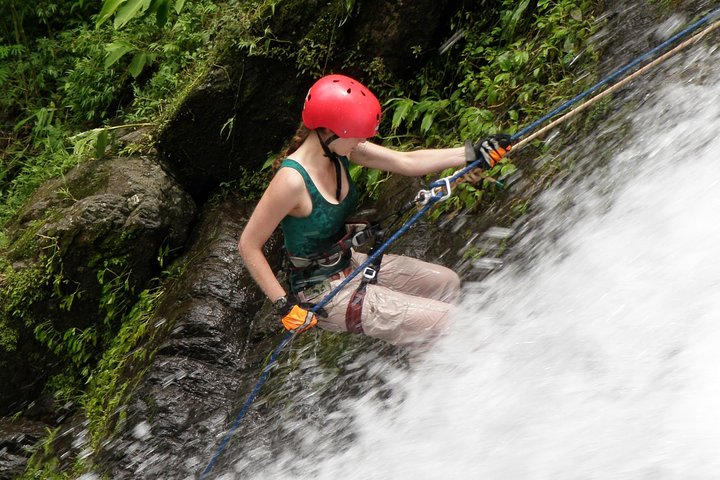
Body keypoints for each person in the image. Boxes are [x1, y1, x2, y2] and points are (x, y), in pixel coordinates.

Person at [238, 74, 511, 347]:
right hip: (321, 293)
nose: (362, 141)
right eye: (358, 135)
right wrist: (284, 305)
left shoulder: (341, 149)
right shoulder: (291, 181)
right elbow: (248, 245)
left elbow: (405, 161)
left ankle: (428, 366)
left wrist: (471, 154)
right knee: (451, 320)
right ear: (333, 131)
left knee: (446, 283)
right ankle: (442, 364)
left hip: (349, 263)